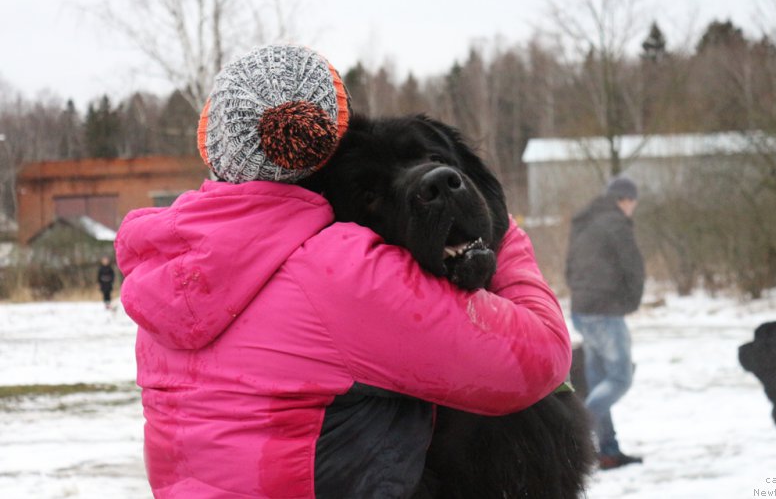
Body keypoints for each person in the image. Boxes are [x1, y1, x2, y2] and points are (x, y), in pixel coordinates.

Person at [115, 44, 571, 498]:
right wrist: (500, 229)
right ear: (327, 131)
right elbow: (537, 359)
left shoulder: (173, 270)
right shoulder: (335, 269)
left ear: (216, 150)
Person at [565, 176, 645, 470]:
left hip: (582, 310)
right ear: (624, 199)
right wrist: (630, 302)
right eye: (632, 202)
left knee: (599, 382)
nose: (632, 208)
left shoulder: (584, 222)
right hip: (606, 311)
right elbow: (633, 267)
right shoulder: (615, 222)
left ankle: (607, 451)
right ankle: (576, 432)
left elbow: (569, 268)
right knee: (620, 378)